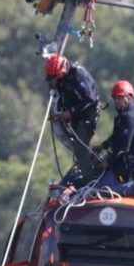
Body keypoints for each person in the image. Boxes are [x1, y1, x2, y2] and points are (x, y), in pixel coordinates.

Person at [92, 79, 134, 197]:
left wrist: (108, 162)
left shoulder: (129, 118)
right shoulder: (133, 110)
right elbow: (118, 136)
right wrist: (104, 145)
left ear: (128, 97)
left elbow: (122, 148)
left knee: (103, 189)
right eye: (114, 98)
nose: (116, 101)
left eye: (119, 98)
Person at [44, 53, 100, 187]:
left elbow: (90, 99)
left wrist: (70, 112)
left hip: (88, 113)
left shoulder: (78, 75)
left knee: (80, 148)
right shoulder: (61, 78)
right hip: (73, 113)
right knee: (76, 148)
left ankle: (91, 182)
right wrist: (58, 112)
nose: (55, 81)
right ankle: (90, 163)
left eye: (56, 77)